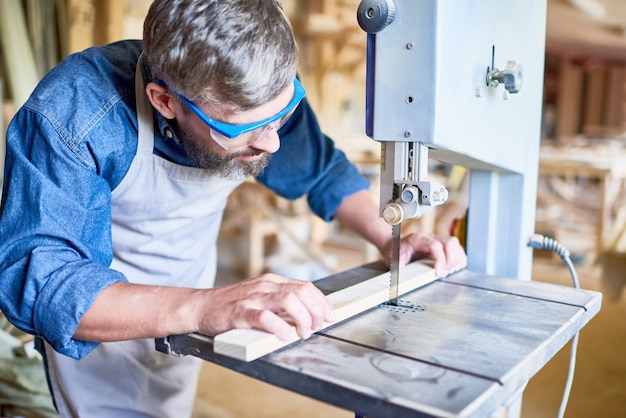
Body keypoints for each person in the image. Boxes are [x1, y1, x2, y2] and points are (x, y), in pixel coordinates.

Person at [0, 0, 466, 416]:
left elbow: (320, 171)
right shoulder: (76, 115)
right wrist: (205, 307)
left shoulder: (261, 91)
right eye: (243, 129)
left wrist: (394, 240)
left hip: (191, 303)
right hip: (105, 325)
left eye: (281, 113)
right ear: (164, 102)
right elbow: (43, 282)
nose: (272, 141)